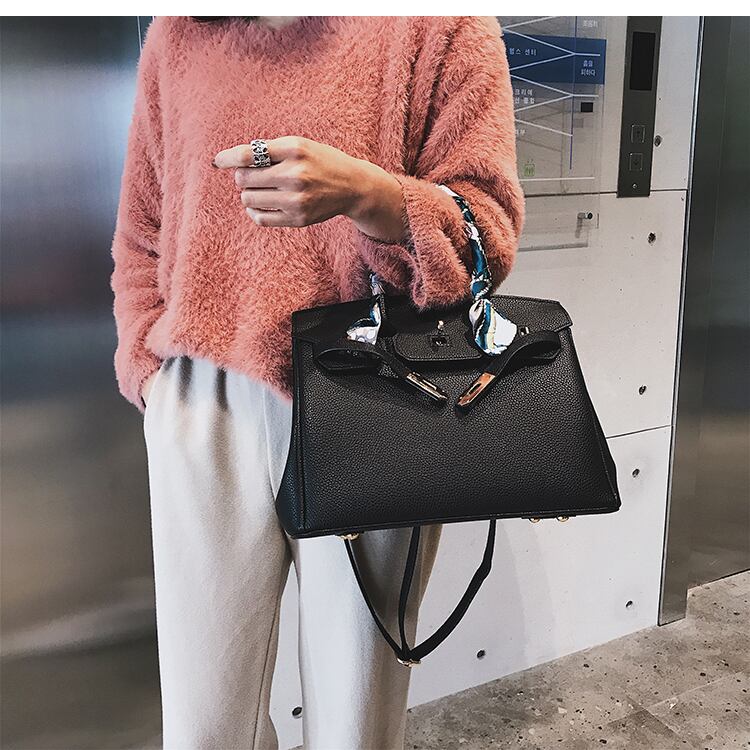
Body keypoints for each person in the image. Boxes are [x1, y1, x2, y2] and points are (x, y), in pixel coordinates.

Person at [110, 15, 524, 750]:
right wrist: (150, 373)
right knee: (204, 725)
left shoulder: (441, 24)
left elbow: (487, 231)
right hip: (206, 396)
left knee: (354, 718)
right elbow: (142, 228)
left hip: (376, 394)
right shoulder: (181, 32)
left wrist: (375, 197)